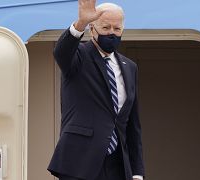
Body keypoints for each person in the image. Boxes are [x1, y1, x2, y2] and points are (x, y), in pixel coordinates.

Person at [47, 1, 145, 180]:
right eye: (106, 27)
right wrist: (80, 23)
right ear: (92, 29)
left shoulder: (129, 67)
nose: (112, 33)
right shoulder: (79, 56)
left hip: (118, 164)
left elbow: (132, 124)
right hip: (80, 161)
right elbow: (61, 52)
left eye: (117, 28)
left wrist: (137, 172)